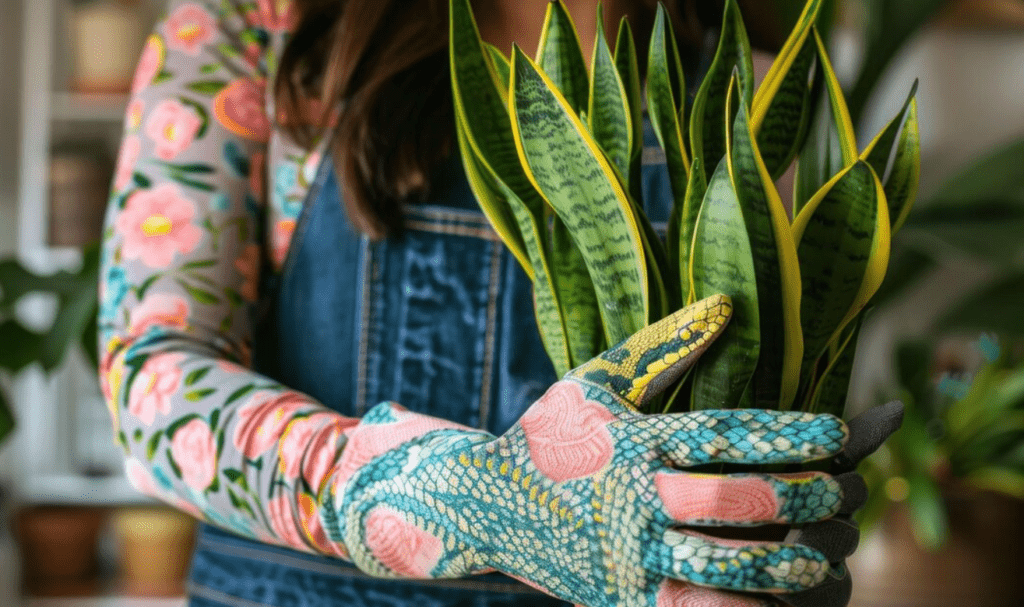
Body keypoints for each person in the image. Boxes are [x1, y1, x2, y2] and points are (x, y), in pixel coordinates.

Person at [98, 1, 897, 606]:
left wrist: (755, 534)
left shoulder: (743, 84)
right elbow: (151, 381)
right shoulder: (260, 28)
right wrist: (441, 491)